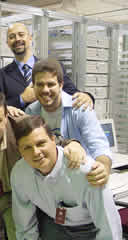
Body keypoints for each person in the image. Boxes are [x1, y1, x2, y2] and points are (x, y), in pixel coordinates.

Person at [0, 88, 85, 240]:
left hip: (30, 194)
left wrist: (73, 144)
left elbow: (53, 143)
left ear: (6, 116)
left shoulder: (22, 126)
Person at [11, 115, 122, 240]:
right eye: (27, 148)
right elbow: (24, 224)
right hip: (53, 225)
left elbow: (109, 227)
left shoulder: (85, 171)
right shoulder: (19, 174)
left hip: (89, 229)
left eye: (41, 143)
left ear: (53, 140)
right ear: (20, 151)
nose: (36, 152)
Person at [26, 57, 112, 186]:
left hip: (80, 180)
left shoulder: (79, 108)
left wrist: (103, 168)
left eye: (50, 84)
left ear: (61, 85)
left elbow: (99, 146)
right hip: (48, 183)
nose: (45, 90)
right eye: (40, 84)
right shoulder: (31, 112)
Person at [0, 22, 93, 110]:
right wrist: (22, 99)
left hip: (52, 130)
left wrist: (87, 96)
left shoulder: (54, 67)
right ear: (7, 43)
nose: (17, 39)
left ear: (30, 38)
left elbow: (72, 93)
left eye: (21, 34)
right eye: (12, 37)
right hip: (18, 132)